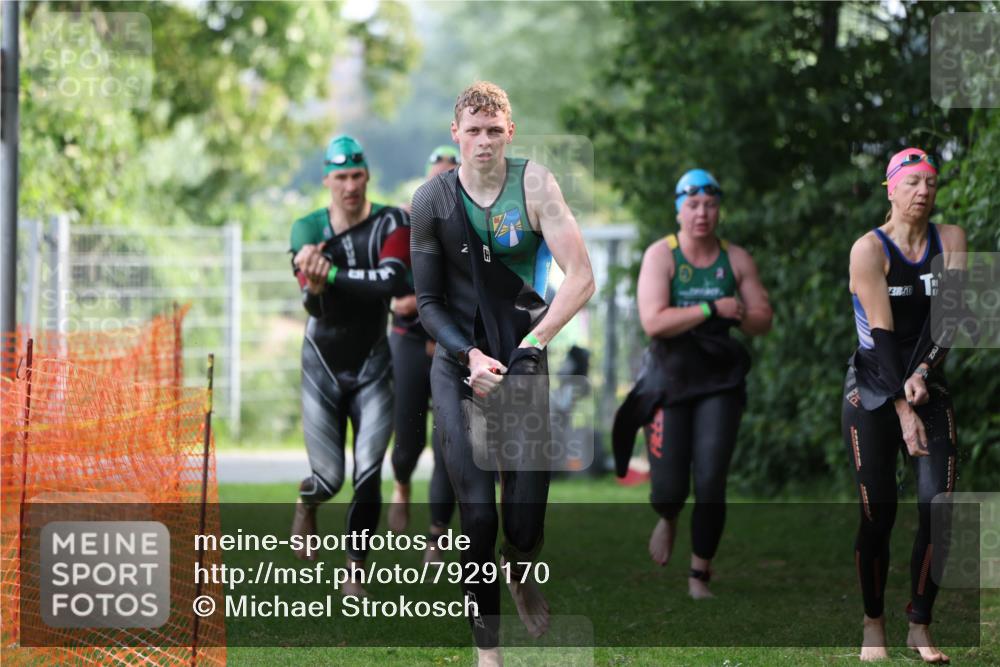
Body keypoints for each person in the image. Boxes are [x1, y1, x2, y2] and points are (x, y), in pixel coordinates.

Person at [410, 81, 594, 666]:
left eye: (494, 130)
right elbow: (428, 303)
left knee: (524, 521)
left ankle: (521, 567)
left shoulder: (535, 185)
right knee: (479, 514)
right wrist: (468, 356)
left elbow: (582, 276)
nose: (484, 141)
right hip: (458, 367)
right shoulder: (431, 201)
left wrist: (533, 345)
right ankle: (487, 652)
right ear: (456, 134)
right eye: (473, 131)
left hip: (523, 361)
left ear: (510, 132)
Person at [612, 168, 772, 599]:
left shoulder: (735, 259)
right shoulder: (661, 255)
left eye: (710, 205)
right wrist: (711, 309)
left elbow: (762, 318)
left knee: (712, 477)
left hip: (719, 380)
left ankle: (699, 574)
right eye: (694, 205)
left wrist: (740, 312)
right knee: (668, 486)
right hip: (668, 378)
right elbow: (653, 322)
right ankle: (668, 516)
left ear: (719, 210)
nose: (702, 213)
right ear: (679, 210)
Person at [843, 147, 966, 664]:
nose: (923, 191)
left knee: (940, 507)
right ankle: (873, 622)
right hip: (873, 388)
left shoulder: (951, 240)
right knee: (879, 514)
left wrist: (922, 376)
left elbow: (950, 321)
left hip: (925, 381)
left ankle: (920, 623)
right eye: (912, 182)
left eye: (930, 183)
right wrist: (901, 405)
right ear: (890, 188)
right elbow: (882, 338)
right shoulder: (869, 250)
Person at [287, 135, 412, 596]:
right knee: (328, 479)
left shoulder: (392, 221)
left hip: (372, 363)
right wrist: (315, 286)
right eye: (340, 177)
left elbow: (390, 282)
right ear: (327, 180)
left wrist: (332, 274)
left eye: (357, 176)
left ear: (368, 176)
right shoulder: (306, 228)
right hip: (321, 364)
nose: (350, 186)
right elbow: (314, 307)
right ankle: (307, 503)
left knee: (368, 472)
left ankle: (354, 571)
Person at [387, 145, 462, 564]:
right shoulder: (405, 219)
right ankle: (401, 482)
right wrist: (407, 301)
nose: (443, 187)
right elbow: (392, 290)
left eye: (450, 178)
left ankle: (436, 535)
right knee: (408, 439)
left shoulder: (470, 223)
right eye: (437, 179)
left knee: (448, 441)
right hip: (411, 340)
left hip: (451, 342)